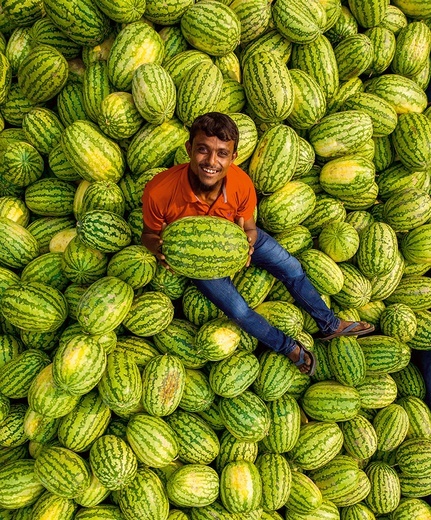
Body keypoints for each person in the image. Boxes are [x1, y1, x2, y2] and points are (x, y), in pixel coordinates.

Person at [141, 112, 374, 376]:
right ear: (188, 149)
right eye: (202, 150)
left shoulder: (241, 183)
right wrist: (158, 249)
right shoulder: (159, 190)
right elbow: (148, 234)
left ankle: (329, 324)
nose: (211, 162)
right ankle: (288, 347)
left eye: (222, 154)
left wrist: (249, 240)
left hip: (237, 237)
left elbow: (249, 224)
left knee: (292, 267)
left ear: (233, 157)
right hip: (199, 262)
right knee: (239, 311)